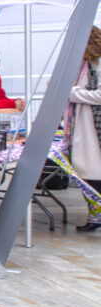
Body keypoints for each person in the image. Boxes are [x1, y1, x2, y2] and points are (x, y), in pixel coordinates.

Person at [66, 26, 101, 232]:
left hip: (94, 126)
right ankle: (95, 215)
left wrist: (71, 92)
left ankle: (96, 215)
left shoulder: (97, 64)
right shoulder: (88, 65)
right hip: (86, 125)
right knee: (87, 170)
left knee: (92, 171)